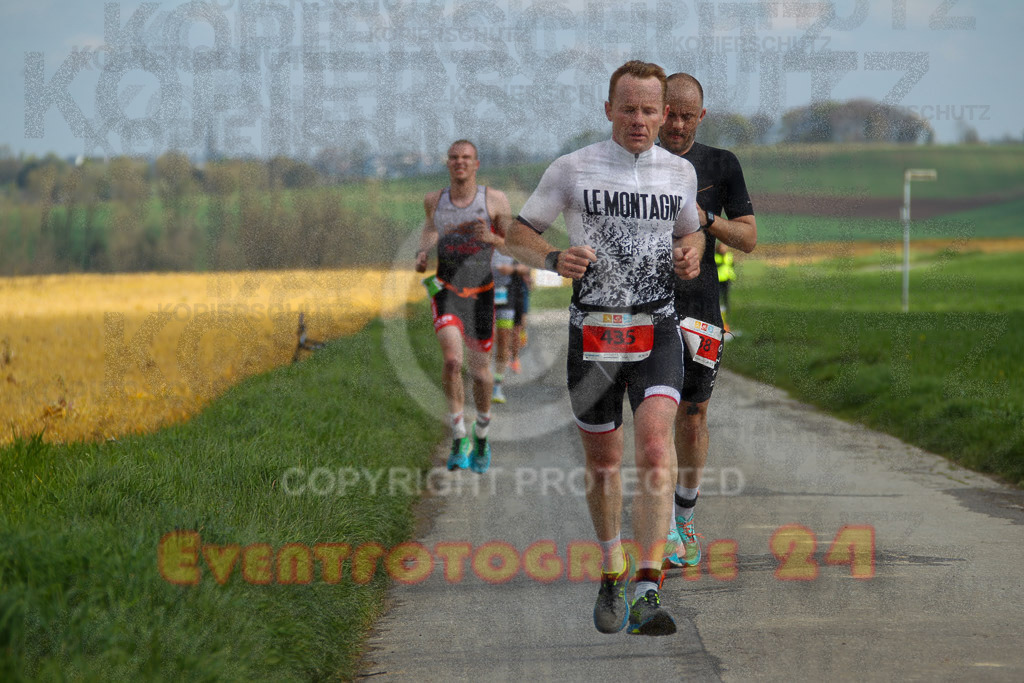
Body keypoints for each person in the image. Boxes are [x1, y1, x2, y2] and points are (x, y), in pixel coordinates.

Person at [505, 60, 703, 637]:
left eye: (649, 110)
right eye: (628, 108)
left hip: (657, 328)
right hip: (593, 331)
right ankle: (612, 566)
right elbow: (519, 232)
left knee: (655, 446)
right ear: (608, 109)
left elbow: (688, 228)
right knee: (605, 464)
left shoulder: (679, 174)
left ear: (664, 115)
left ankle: (648, 586)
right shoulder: (572, 168)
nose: (638, 120)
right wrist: (550, 260)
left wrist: (689, 250)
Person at [657, 73, 757, 569]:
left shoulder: (722, 165)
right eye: (667, 113)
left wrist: (705, 218)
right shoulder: (636, 160)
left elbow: (749, 238)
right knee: (654, 418)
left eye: (685, 115)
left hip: (701, 310)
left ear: (702, 116)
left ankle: (685, 516)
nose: (675, 125)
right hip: (647, 307)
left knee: (693, 416)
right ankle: (658, 528)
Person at [415, 140, 514, 474]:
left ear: (476, 164)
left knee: (481, 373)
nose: (460, 163)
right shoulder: (434, 200)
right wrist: (422, 252)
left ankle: (481, 434)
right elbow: (430, 227)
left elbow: (513, 243)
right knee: (453, 361)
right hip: (446, 289)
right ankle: (459, 434)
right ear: (448, 164)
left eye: (466, 158)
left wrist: (493, 240)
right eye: (454, 158)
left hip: (481, 292)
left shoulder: (494, 200)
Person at [490, 249, 517, 403]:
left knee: (503, 339)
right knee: (486, 339)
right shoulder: (482, 230)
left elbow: (526, 267)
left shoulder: (511, 233)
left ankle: (497, 386)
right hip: (484, 291)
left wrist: (512, 269)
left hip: (507, 292)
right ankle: (484, 381)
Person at [508, 262, 531, 373]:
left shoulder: (520, 253)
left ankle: (514, 357)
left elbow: (525, 269)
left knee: (519, 325)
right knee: (504, 327)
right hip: (503, 292)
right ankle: (508, 352)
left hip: (519, 293)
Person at [715, 241, 737, 334]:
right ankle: (719, 312)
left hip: (727, 279)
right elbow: (719, 265)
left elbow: (731, 265)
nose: (724, 249)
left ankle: (726, 311)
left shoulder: (729, 255)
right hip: (719, 279)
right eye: (722, 248)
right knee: (718, 297)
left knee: (726, 298)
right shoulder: (716, 257)